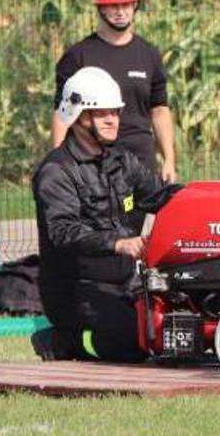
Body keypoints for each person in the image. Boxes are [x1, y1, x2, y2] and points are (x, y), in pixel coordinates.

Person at [31, 66, 181, 363]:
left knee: (174, 331)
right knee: (134, 344)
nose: (113, 119)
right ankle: (67, 340)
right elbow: (62, 231)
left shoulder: (121, 160)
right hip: (77, 291)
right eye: (102, 113)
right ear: (79, 117)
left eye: (114, 111)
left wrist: (198, 200)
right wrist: (119, 243)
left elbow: (158, 196)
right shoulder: (56, 171)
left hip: (127, 283)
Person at [52, 0, 178, 181]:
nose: (121, 11)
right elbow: (62, 114)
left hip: (140, 161)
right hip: (93, 161)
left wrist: (169, 160)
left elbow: (159, 111)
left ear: (135, 5)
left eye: (126, 4)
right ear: (101, 8)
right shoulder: (78, 56)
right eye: (113, 5)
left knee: (136, 215)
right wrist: (60, 164)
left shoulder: (149, 54)